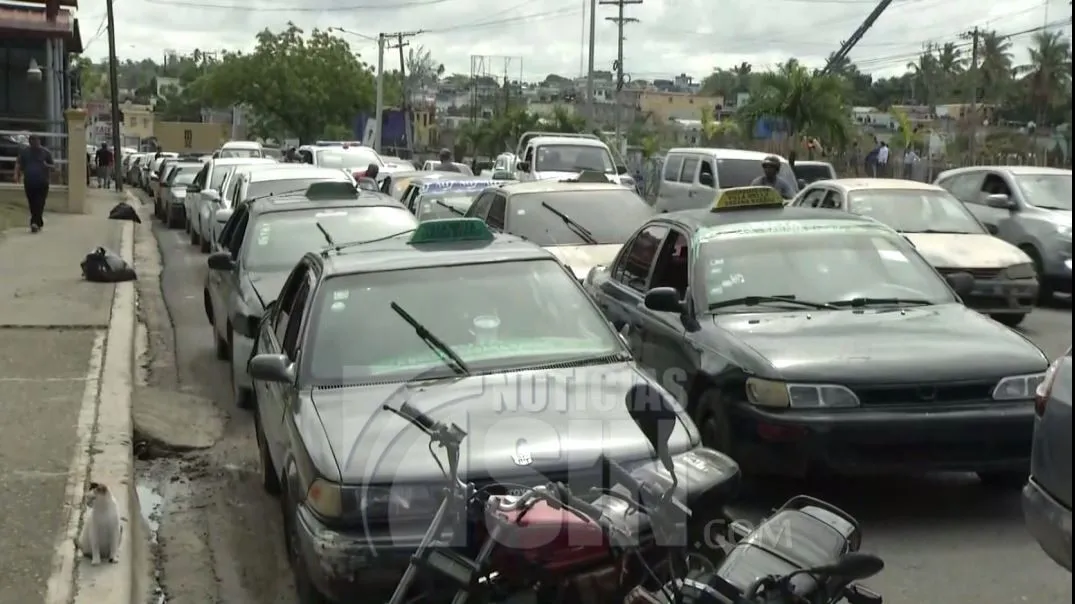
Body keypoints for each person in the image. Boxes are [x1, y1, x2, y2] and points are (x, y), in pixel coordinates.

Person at [14, 135, 55, 233]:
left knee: (40, 202)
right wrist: (16, 175)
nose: (35, 144)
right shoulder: (25, 152)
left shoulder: (46, 152)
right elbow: (19, 164)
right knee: (32, 203)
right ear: (29, 142)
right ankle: (38, 221)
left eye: (36, 142)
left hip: (42, 182)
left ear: (39, 141)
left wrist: (47, 166)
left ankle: (34, 223)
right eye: (32, 142)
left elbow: (53, 167)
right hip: (29, 181)